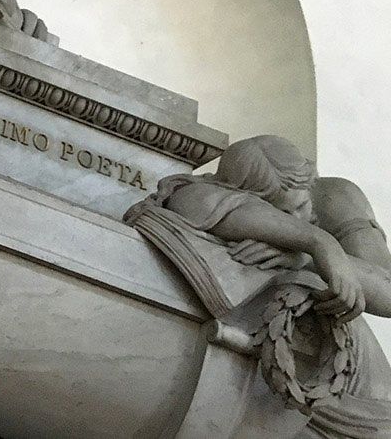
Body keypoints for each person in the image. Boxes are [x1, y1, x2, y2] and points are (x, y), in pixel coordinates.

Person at [137, 135, 391, 437]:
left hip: (354, 378)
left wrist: (308, 256)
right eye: (281, 214)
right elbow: (192, 200)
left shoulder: (338, 197)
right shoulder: (199, 194)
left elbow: (387, 292)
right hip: (276, 377)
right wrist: (314, 241)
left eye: (301, 206)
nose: (297, 219)